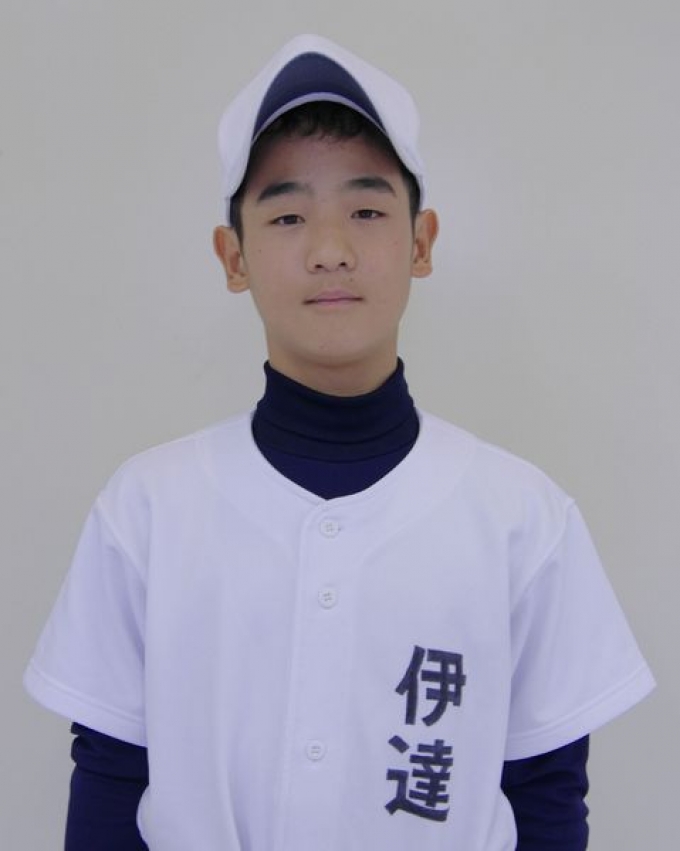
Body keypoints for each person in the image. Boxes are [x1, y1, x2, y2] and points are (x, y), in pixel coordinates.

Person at [24, 34, 654, 850]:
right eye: (287, 215)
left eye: (366, 210)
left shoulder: (524, 519)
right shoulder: (146, 510)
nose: (330, 250)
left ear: (421, 241)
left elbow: (546, 792)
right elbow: (111, 777)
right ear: (233, 256)